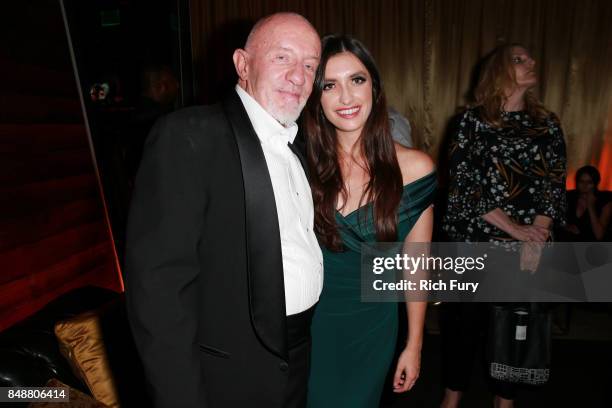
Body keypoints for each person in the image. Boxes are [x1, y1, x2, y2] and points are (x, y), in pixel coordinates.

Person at [125, 13, 323, 408]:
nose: (299, 76)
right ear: (242, 64)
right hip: (227, 378)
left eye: (310, 65)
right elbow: (159, 291)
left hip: (297, 358)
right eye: (283, 58)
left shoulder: (297, 147)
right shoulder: (190, 135)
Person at [304, 35, 435, 408]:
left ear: (374, 88)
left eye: (356, 80)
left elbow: (417, 264)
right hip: (309, 326)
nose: (346, 98)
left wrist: (414, 345)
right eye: (330, 85)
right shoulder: (299, 165)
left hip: (372, 327)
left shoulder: (416, 169)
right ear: (316, 98)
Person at [440, 43, 567, 408]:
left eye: (531, 57)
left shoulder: (547, 124)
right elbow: (464, 188)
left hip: (528, 247)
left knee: (515, 332)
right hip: (473, 242)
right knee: (462, 328)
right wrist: (517, 231)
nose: (531, 62)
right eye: (519, 59)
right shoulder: (471, 122)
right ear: (499, 70)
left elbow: (554, 184)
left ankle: (504, 401)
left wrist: (536, 237)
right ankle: (451, 398)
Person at [561, 165, 612, 241]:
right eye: (581, 181)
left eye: (589, 182)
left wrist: (590, 205)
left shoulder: (605, 199)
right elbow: (554, 220)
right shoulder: (568, 196)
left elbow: (599, 235)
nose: (585, 186)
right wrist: (566, 227)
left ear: (595, 183)